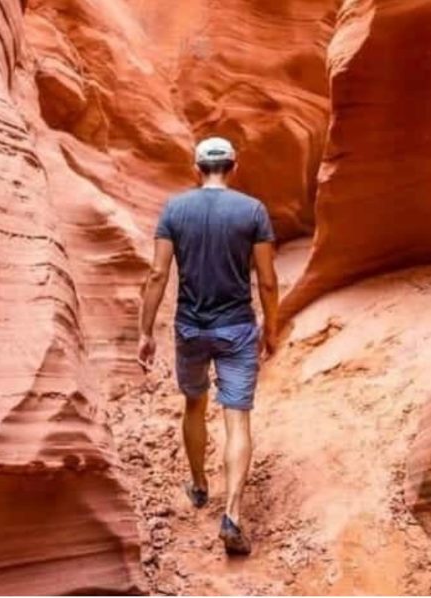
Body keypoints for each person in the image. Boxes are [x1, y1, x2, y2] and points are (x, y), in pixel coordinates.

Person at [137, 136, 280, 556]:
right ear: (234, 167)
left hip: (190, 329)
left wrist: (145, 331)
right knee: (238, 419)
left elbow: (157, 274)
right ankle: (232, 515)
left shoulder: (174, 209)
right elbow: (267, 280)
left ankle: (199, 485)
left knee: (195, 404)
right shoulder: (252, 210)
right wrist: (271, 328)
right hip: (237, 329)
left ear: (196, 168)